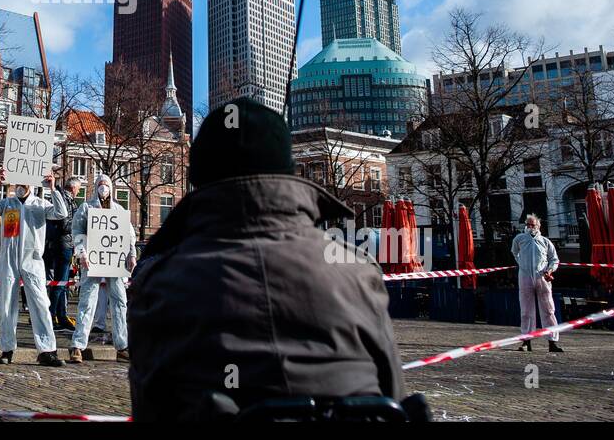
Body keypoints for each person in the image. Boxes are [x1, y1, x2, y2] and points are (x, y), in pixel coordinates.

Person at [127, 98, 406, 421]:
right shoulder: (358, 273)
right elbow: (394, 396)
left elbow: (150, 404)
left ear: (197, 177)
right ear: (289, 172)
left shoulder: (159, 285)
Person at [0, 171, 70, 366]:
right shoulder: (7, 203)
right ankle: (7, 349)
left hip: (33, 259)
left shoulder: (40, 204)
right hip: (8, 257)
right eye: (19, 181)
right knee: (7, 303)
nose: (22, 184)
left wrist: (53, 188)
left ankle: (47, 349)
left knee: (41, 303)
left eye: (26, 181)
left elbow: (61, 213)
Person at [69, 173, 134, 364]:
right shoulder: (86, 208)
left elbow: (129, 235)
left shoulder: (119, 209)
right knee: (87, 302)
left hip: (114, 263)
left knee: (120, 302)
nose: (103, 188)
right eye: (101, 184)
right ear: (95, 186)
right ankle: (78, 345)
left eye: (106, 185)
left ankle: (122, 346)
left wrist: (132, 255)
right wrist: (82, 253)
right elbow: (77, 230)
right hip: (92, 262)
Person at [512, 214, 563, 353]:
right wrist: (522, 265)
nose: (529, 227)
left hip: (542, 277)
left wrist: (550, 270)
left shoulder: (546, 242)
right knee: (526, 310)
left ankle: (552, 342)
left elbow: (554, 259)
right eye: (527, 224)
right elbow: (514, 252)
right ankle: (526, 341)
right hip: (525, 277)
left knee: (548, 310)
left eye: (532, 225)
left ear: (538, 226)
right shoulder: (519, 239)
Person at [44, 176, 81, 331]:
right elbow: (64, 223)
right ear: (73, 188)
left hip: (63, 244)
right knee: (60, 283)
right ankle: (52, 316)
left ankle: (61, 315)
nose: (78, 192)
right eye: (78, 189)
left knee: (62, 284)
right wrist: (80, 223)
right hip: (63, 244)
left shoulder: (64, 198)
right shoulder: (65, 199)